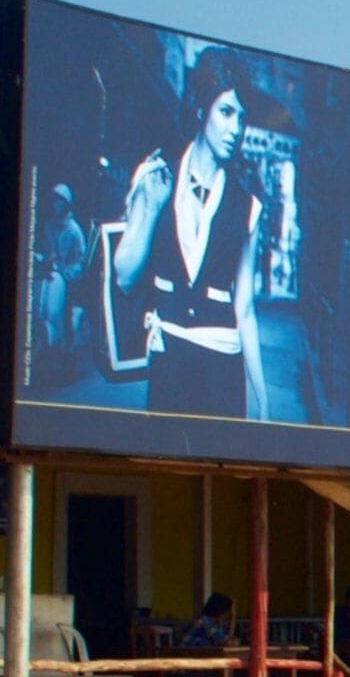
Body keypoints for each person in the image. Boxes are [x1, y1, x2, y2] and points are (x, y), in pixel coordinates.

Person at [115, 53, 269, 421]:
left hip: (223, 369)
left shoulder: (247, 205)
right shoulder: (157, 176)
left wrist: (261, 397)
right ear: (201, 109)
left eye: (242, 118)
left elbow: (244, 308)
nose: (236, 129)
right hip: (169, 363)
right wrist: (152, 209)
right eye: (226, 112)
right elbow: (123, 276)